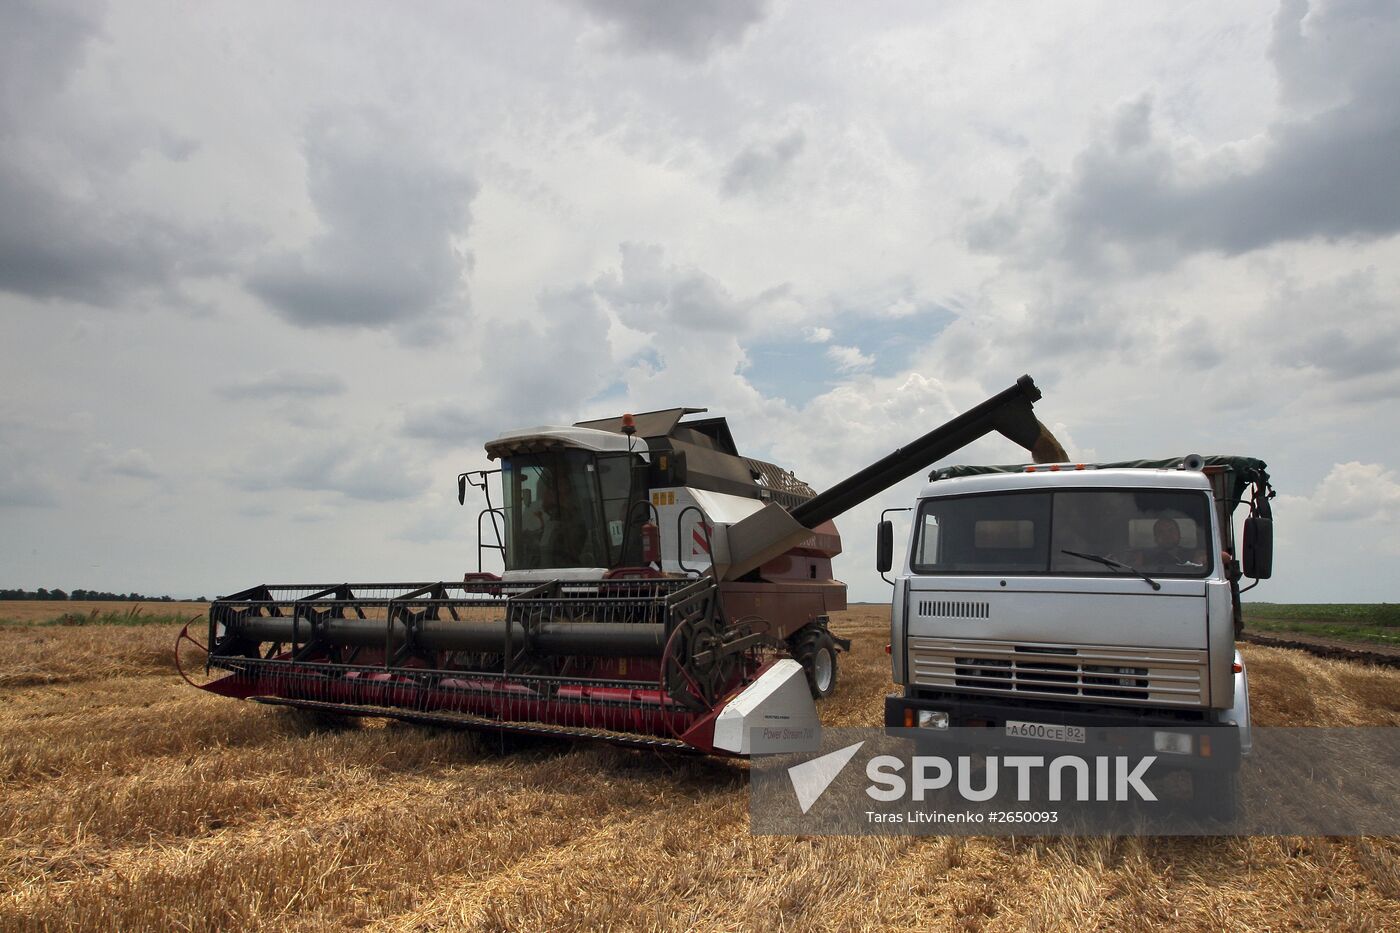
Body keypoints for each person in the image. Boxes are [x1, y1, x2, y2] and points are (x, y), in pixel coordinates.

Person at [1139, 517, 1204, 570]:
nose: (1167, 535)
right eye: (1161, 532)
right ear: (1155, 538)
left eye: (1171, 530)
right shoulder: (1145, 557)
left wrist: (1200, 561)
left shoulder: (1193, 555)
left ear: (1179, 534)